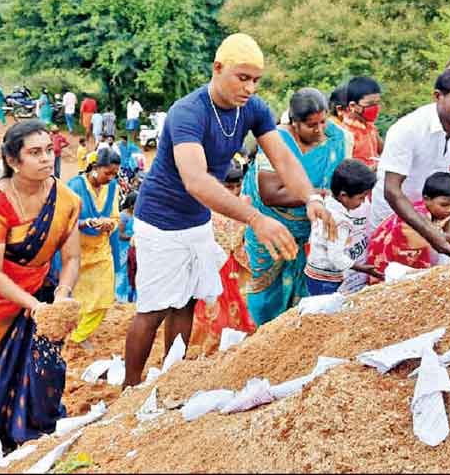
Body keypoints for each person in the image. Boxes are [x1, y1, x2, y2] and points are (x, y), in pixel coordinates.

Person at [124, 33, 336, 388]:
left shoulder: (253, 109)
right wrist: (255, 218)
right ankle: (129, 388)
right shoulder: (187, 112)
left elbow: (283, 157)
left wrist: (311, 198)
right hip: (161, 221)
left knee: (187, 302)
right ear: (217, 69)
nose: (250, 87)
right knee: (154, 308)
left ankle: (169, 376)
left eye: (256, 79)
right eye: (243, 77)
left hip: (196, 220)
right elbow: (195, 180)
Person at [0, 120, 81, 450]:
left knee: (45, 366)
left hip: (41, 289)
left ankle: (35, 432)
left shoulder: (66, 200)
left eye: (49, 150)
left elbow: (73, 259)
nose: (46, 159)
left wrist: (61, 297)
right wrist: (35, 307)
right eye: (34, 153)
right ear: (12, 160)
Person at [242, 87, 346, 325]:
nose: (320, 130)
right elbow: (270, 194)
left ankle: (292, 331)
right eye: (312, 125)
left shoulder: (334, 137)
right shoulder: (276, 140)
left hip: (308, 227)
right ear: (295, 123)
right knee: (265, 291)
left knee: (302, 281)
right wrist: (316, 196)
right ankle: (260, 332)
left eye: (323, 122)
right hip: (272, 226)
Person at [368, 65, 450, 262]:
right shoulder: (407, 129)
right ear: (437, 96)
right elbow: (392, 189)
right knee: (388, 280)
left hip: (439, 219)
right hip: (394, 216)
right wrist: (429, 232)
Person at [191, 161, 256, 353]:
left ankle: (239, 343)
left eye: (238, 186)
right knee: (213, 305)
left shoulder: (246, 203)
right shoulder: (206, 207)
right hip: (216, 264)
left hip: (240, 264)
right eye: (229, 187)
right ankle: (208, 346)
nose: (234, 191)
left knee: (242, 303)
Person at [67, 148, 121, 349]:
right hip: (77, 252)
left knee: (105, 296)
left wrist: (110, 224)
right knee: (78, 297)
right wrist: (85, 223)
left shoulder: (113, 187)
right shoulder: (74, 186)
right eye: (108, 172)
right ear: (95, 167)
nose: (111, 177)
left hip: (101, 249)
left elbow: (115, 217)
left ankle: (80, 335)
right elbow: (64, 219)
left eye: (114, 173)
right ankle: (72, 332)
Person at [304, 159, 382, 295]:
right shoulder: (340, 222)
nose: (363, 202)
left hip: (315, 271)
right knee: (328, 309)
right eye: (361, 198)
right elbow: (336, 257)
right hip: (325, 279)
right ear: (344, 196)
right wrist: (363, 268)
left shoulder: (327, 202)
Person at [367, 172, 450, 279]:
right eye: (444, 205)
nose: (449, 210)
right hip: (385, 263)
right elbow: (429, 247)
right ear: (426, 199)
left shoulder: (438, 213)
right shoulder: (416, 219)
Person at [340, 76, 384, 169]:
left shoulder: (370, 125)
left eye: (377, 103)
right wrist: (375, 168)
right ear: (352, 105)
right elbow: (346, 170)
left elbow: (383, 151)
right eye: (370, 104)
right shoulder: (346, 133)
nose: (375, 108)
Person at [116, 190, 137, 303]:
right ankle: (120, 296)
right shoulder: (124, 216)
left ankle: (130, 297)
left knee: (132, 271)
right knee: (123, 272)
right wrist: (133, 237)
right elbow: (120, 234)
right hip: (123, 248)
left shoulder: (134, 214)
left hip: (132, 247)